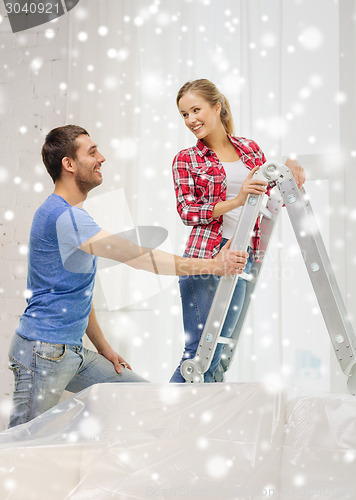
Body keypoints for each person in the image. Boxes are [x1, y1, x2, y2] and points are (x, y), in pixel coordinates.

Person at [8, 125, 248, 428]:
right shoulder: (64, 217)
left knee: (144, 398)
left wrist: (103, 347)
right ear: (68, 165)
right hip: (42, 352)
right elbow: (139, 257)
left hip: (71, 352)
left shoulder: (70, 215)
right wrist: (213, 265)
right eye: (92, 152)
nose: (102, 158)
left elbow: (78, 292)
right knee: (20, 446)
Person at [170, 79, 305, 383]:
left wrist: (289, 166)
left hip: (243, 255)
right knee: (198, 356)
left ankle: (206, 423)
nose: (191, 120)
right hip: (205, 260)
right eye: (184, 115)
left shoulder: (249, 148)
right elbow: (187, 212)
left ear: (216, 107)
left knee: (219, 358)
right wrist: (237, 200)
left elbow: (270, 198)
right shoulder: (186, 159)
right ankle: (170, 424)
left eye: (196, 110)